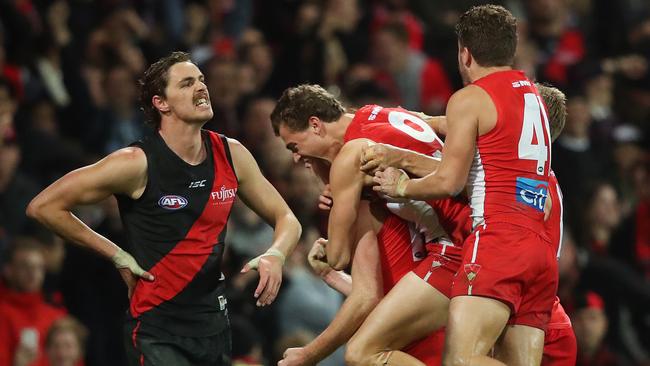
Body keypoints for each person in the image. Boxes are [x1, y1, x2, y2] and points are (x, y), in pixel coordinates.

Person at [26, 51, 302, 366]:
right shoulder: (135, 162)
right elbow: (44, 207)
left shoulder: (232, 154)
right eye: (186, 84)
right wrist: (116, 255)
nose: (201, 88)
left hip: (213, 324)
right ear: (161, 103)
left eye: (200, 80)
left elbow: (287, 219)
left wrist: (276, 255)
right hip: (157, 328)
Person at [373, 5, 556, 365]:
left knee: (460, 360)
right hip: (540, 250)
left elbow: (449, 180)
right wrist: (432, 120)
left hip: (497, 243)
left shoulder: (469, 98)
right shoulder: (533, 94)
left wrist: (402, 188)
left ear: (465, 53)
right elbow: (492, 125)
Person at [271, 84, 472, 365]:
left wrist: (330, 181)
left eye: (294, 146)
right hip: (478, 231)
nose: (296, 157)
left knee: (362, 352)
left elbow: (339, 258)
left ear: (315, 125)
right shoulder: (378, 115)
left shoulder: (354, 159)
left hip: (458, 246)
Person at [0, 238, 66, 366]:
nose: (33, 272)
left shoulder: (57, 315)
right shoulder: (2, 314)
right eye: (25, 266)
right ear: (8, 270)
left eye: (39, 267)